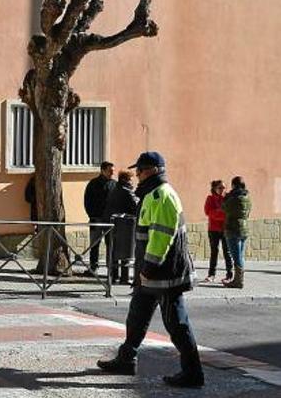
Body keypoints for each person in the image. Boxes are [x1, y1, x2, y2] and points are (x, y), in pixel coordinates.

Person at [97, 152, 203, 388]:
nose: (137, 174)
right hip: (152, 272)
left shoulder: (162, 195)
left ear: (154, 170)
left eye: (141, 170)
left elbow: (161, 237)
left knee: (177, 323)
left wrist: (150, 267)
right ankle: (126, 359)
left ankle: (193, 372)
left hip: (164, 273)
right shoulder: (150, 195)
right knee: (137, 315)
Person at [102, 170, 139, 284]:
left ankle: (113, 276)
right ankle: (124, 277)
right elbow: (136, 206)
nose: (133, 182)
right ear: (125, 180)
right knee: (125, 251)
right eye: (131, 179)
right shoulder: (127, 192)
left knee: (113, 250)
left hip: (110, 224)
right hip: (124, 226)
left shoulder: (114, 189)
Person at [84, 161, 116, 274]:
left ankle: (110, 268)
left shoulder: (114, 184)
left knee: (110, 244)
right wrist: (92, 215)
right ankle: (93, 267)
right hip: (96, 218)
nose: (112, 173)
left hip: (109, 220)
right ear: (102, 170)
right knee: (94, 244)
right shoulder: (93, 184)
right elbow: (87, 201)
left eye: (113, 171)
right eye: (110, 170)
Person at [222, 176, 251, 289]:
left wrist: (226, 197)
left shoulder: (234, 198)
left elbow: (224, 207)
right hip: (244, 229)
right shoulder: (247, 197)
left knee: (236, 256)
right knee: (240, 256)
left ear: (234, 185)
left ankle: (238, 281)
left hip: (233, 228)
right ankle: (238, 279)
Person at [204, 180, 232, 284]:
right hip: (213, 230)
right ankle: (211, 274)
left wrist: (217, 213)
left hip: (225, 229)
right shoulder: (210, 199)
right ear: (214, 188)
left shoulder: (227, 199)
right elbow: (208, 212)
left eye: (224, 188)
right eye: (220, 188)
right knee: (214, 252)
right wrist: (222, 214)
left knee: (227, 253)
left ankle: (229, 275)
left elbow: (228, 213)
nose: (222, 190)